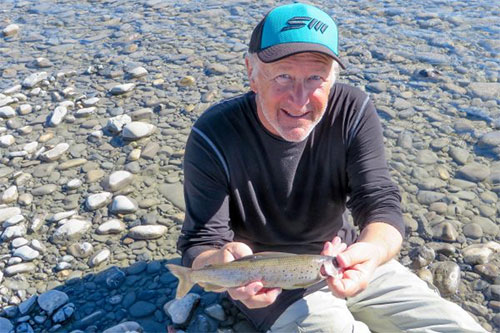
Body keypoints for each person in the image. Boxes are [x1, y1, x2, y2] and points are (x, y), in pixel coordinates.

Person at [177, 3, 487, 332]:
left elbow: (380, 203)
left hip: (344, 258)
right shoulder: (213, 134)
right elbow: (201, 241)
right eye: (283, 76)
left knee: (456, 326)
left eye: (316, 77)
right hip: (268, 281)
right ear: (252, 73)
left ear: (333, 78)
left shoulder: (352, 110)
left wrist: (370, 252)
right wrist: (222, 267)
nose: (299, 98)